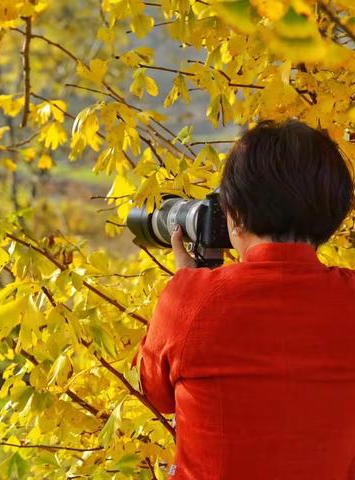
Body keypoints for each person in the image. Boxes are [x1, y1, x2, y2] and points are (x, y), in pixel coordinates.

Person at [131, 118, 355, 479]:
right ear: (332, 216)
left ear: (234, 217)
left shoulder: (191, 298)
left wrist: (187, 285)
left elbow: (153, 392)